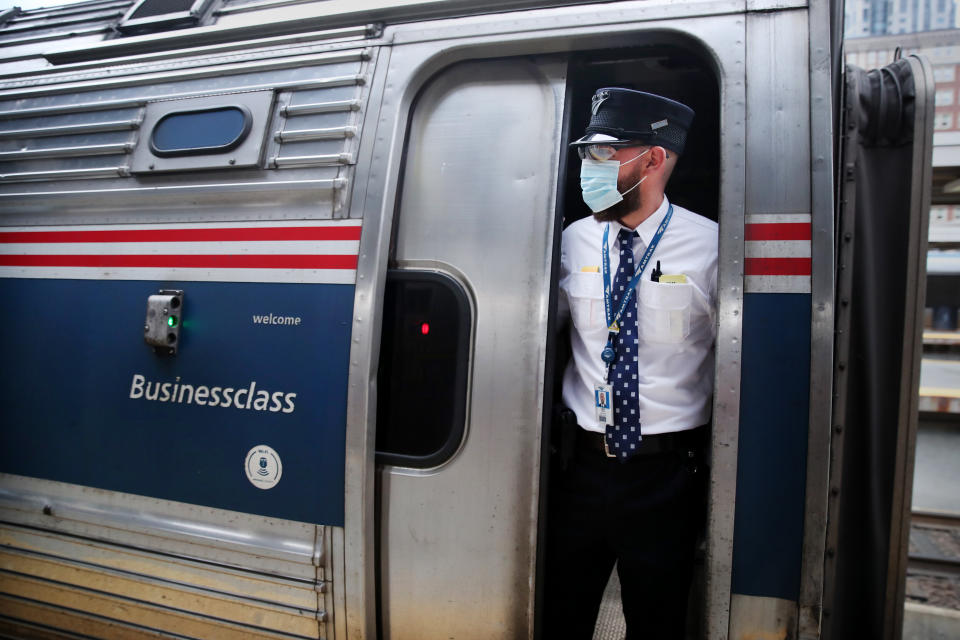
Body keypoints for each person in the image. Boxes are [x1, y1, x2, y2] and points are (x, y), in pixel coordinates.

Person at [544, 88, 718, 639]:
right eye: (586, 155)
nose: (588, 169)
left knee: (658, 622)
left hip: (665, 478)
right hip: (582, 471)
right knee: (558, 616)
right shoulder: (572, 241)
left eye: (605, 154)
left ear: (653, 159)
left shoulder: (712, 248)